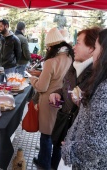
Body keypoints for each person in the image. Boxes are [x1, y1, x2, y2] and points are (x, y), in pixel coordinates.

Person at [49, 27, 101, 170]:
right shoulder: (74, 66)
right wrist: (58, 93)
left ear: (92, 48)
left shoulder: (97, 76)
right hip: (65, 126)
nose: (74, 47)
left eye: (78, 43)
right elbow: (66, 87)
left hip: (78, 140)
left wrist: (83, 104)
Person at [61, 28, 107, 170]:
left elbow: (97, 145)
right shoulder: (75, 67)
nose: (74, 46)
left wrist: (69, 150)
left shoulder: (103, 88)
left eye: (97, 48)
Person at [29, 27, 74, 170]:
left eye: (48, 47)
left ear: (52, 46)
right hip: (63, 102)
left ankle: (43, 164)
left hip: (48, 102)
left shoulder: (51, 62)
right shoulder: (70, 57)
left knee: (46, 135)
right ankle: (53, 165)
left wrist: (32, 79)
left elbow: (42, 87)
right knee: (59, 137)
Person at [0, 19, 21, 83]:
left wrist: (13, 63)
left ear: (6, 26)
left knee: (11, 86)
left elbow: (18, 54)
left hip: (10, 67)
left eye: (0, 26)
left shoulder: (15, 39)